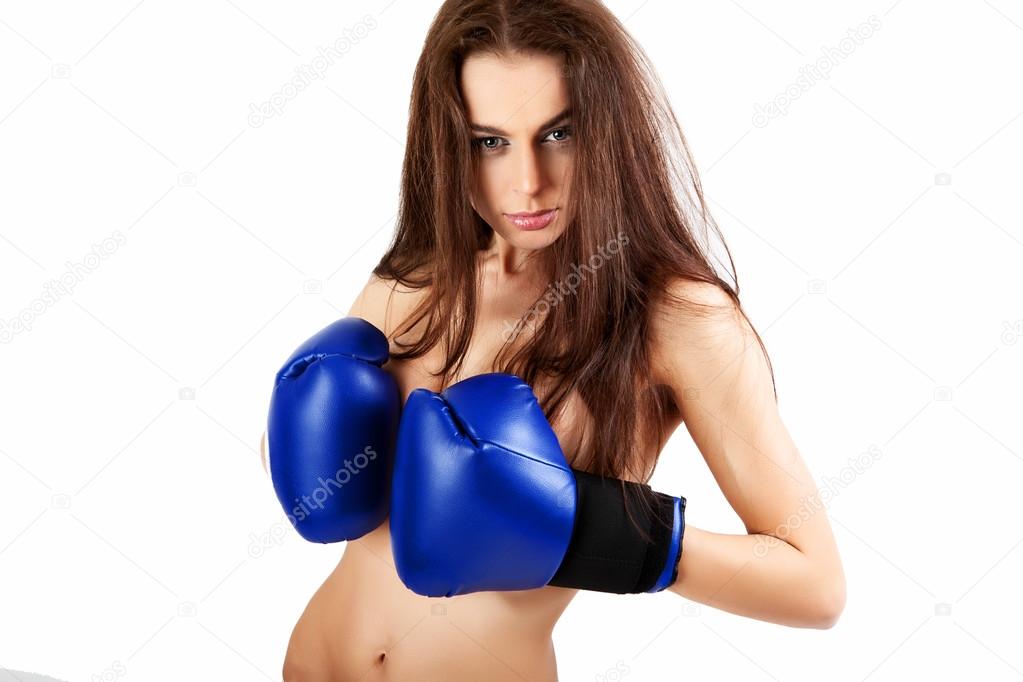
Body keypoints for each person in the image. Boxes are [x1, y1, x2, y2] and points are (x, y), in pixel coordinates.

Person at [263, 1, 846, 679]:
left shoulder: (675, 318)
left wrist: (585, 530)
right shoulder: (415, 281)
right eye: (490, 141)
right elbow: (323, 477)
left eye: (558, 134)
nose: (527, 182)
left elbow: (815, 587)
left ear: (609, 132)